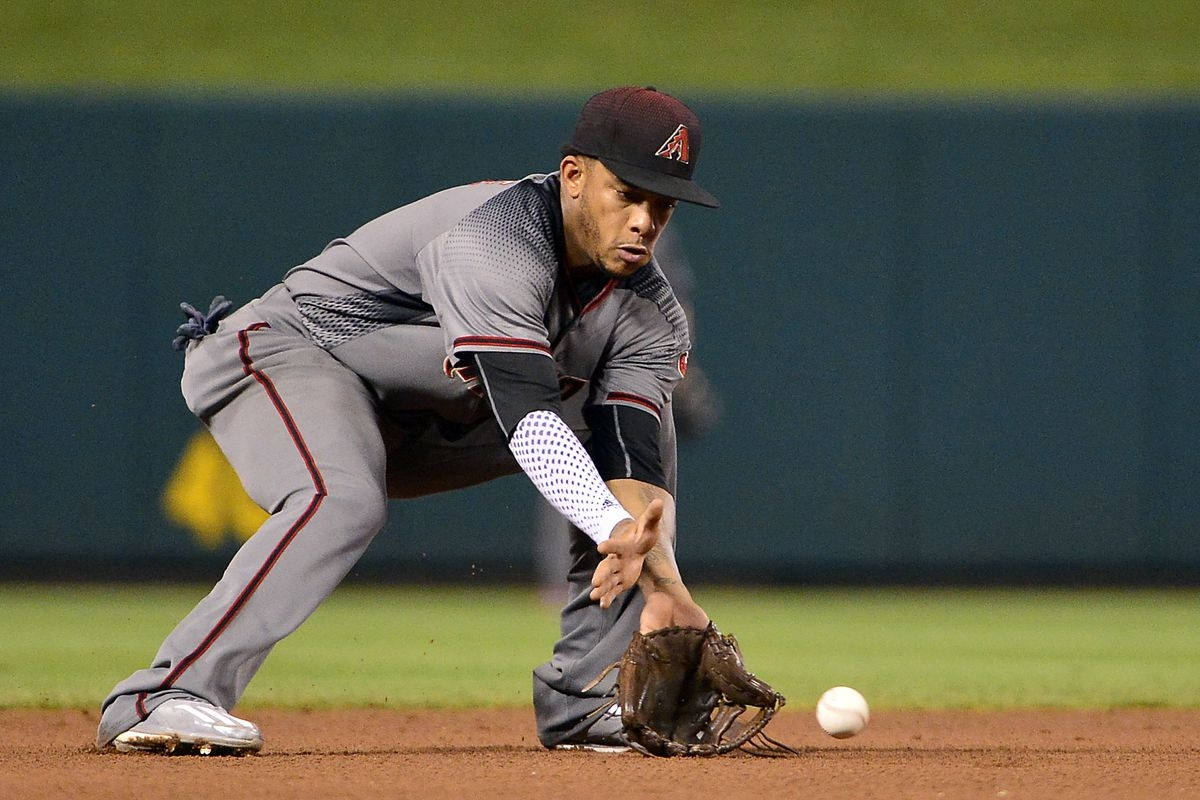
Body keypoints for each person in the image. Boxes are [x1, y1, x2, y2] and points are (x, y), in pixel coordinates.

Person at [97, 86, 715, 755]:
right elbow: (531, 424)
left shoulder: (651, 313)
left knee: (636, 446)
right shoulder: (496, 236)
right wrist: (613, 527)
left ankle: (585, 703)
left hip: (421, 417)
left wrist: (668, 588)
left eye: (663, 203)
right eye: (628, 193)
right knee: (343, 496)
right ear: (573, 175)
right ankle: (158, 696)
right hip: (292, 353)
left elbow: (633, 464)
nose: (645, 220)